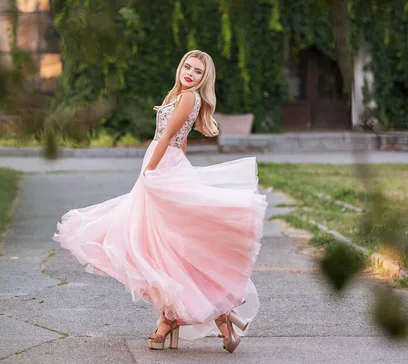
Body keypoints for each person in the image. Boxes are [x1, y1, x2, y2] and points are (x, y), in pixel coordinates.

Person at [53, 50, 267, 353]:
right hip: (167, 164)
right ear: (181, 67)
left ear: (204, 79)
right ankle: (207, 318)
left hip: (160, 167)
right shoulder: (178, 95)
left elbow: (167, 137)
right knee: (161, 244)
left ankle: (184, 320)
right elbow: (181, 141)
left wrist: (151, 171)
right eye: (188, 67)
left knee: (161, 245)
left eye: (197, 72)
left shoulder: (189, 98)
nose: (190, 74)